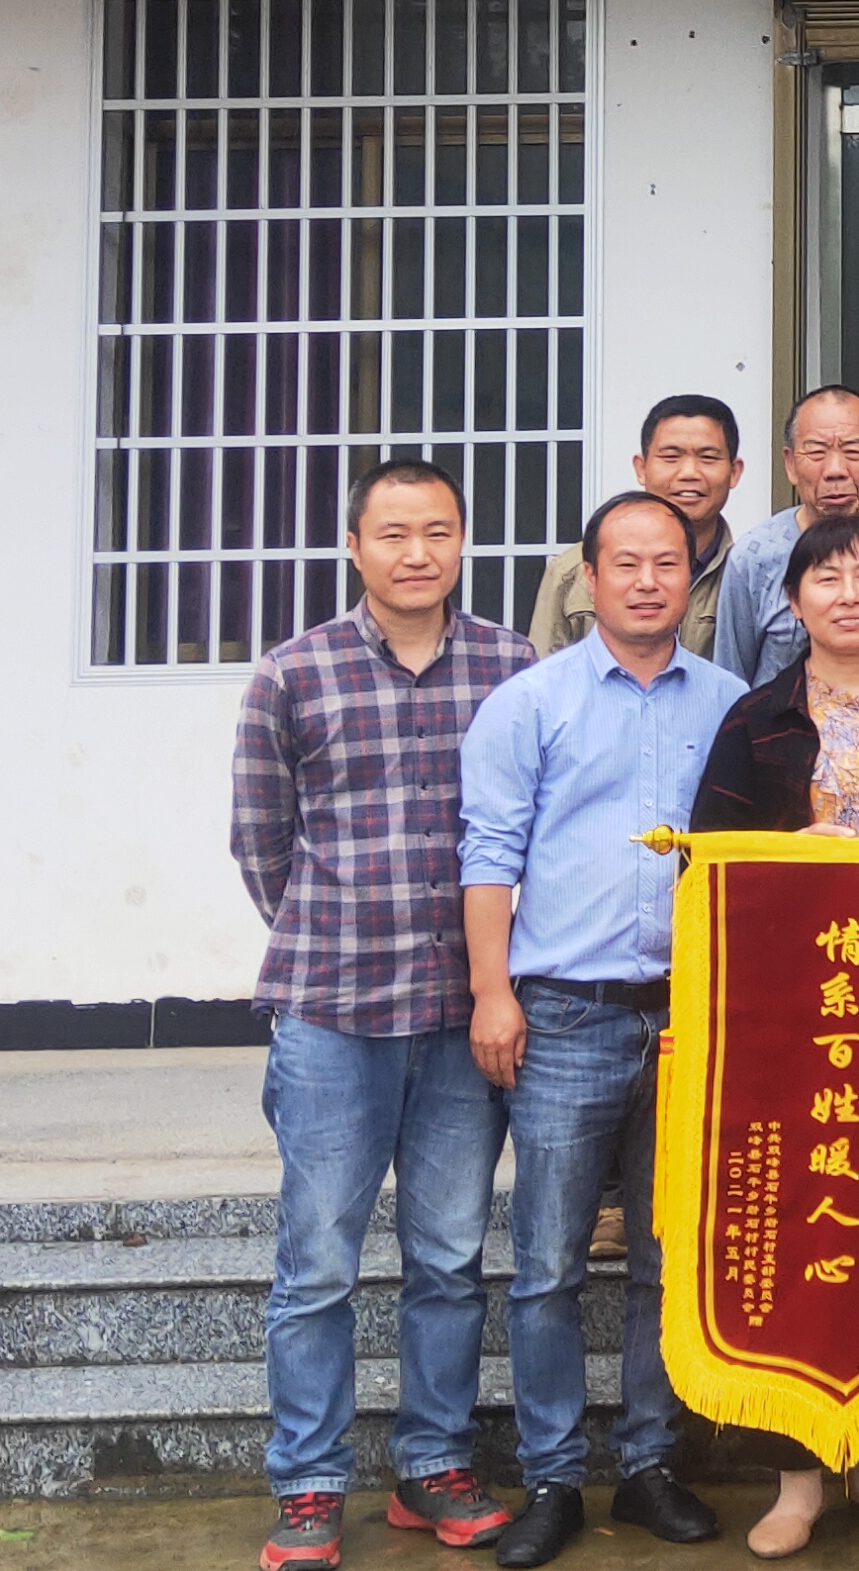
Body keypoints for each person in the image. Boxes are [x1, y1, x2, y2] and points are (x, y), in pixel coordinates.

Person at [227, 460, 528, 1571]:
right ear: (354, 546)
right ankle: (309, 1485)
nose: (416, 553)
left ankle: (432, 1461)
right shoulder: (292, 674)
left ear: (463, 542)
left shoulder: (513, 668)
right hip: (333, 1015)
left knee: (449, 1256)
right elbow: (260, 840)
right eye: (393, 533)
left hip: (463, 1015)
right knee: (318, 1264)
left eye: (436, 531)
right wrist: (331, 924)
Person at [460, 492, 740, 1568]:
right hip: (565, 1014)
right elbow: (490, 853)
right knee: (548, 1264)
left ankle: (651, 1465)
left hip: (689, 1019)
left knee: (671, 1260)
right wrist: (494, 992)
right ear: (589, 575)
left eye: (667, 562)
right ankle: (552, 1477)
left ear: (688, 574)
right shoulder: (529, 702)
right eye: (625, 562)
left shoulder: (729, 702)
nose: (647, 581)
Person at [687, 510, 859, 1558]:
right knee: (804, 1228)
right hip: (795, 1012)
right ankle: (797, 1476)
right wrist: (789, 849)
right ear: (792, 602)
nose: (848, 593)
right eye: (826, 578)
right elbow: (704, 863)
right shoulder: (756, 720)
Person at [711, 382, 859, 690]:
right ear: (790, 464)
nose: (835, 470)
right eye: (816, 452)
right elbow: (729, 683)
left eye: (853, 450)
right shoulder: (754, 557)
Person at [538, 394, 747, 666]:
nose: (689, 473)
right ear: (642, 468)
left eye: (707, 458)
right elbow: (542, 674)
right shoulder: (573, 571)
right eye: (670, 457)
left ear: (734, 472)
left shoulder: (749, 574)